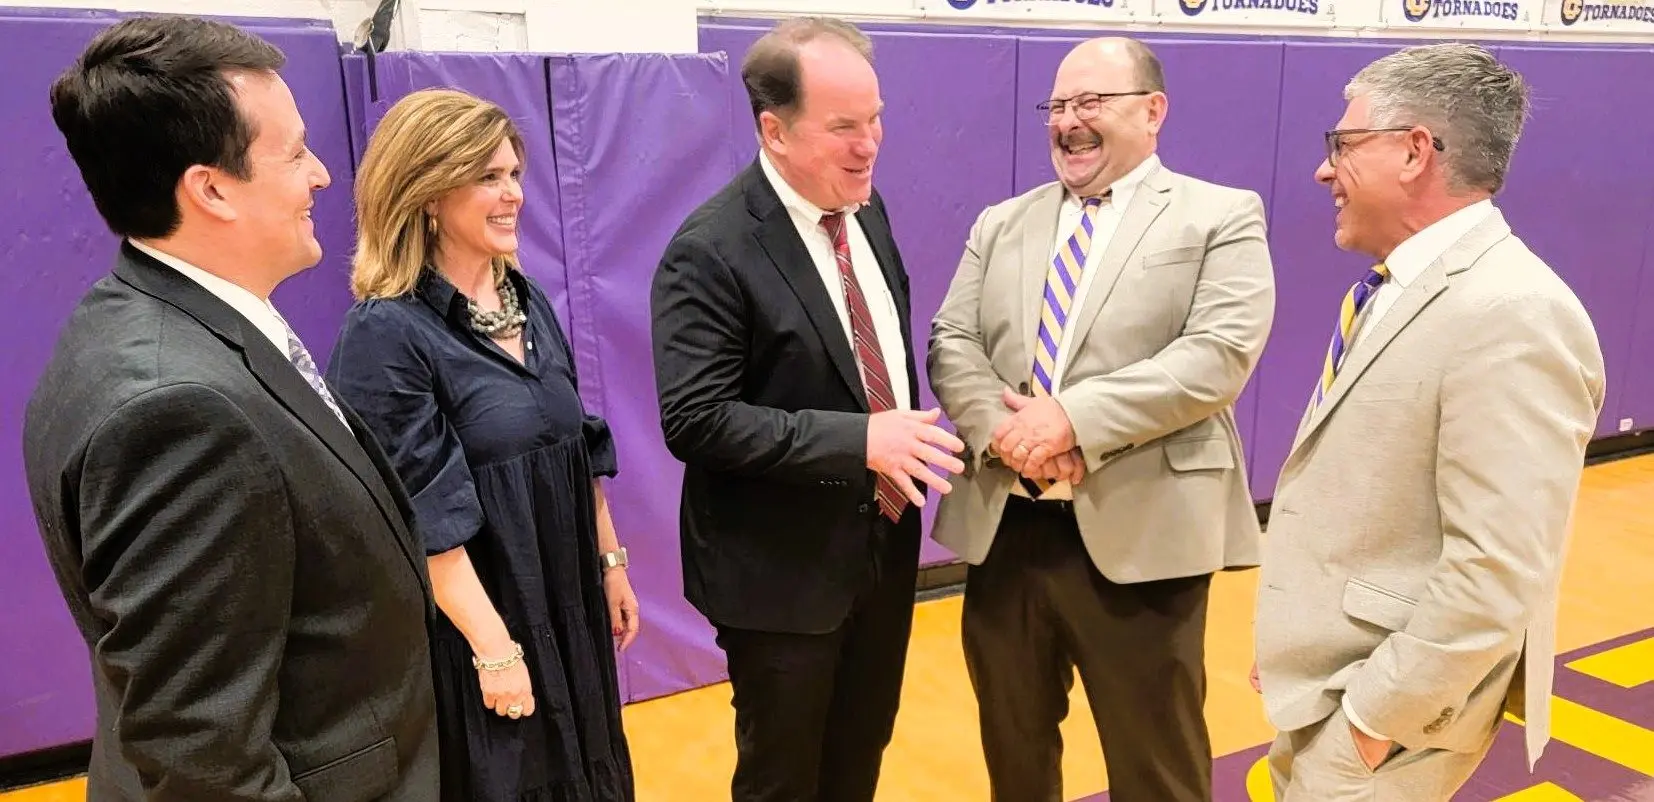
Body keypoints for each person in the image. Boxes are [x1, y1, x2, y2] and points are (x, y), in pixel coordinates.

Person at [22, 15, 440, 801]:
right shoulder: (178, 411)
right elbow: (200, 756)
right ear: (210, 189)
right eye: (295, 153)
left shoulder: (141, 320)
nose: (322, 174)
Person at [927, 37, 1276, 802]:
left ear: (1153, 111)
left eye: (1091, 102)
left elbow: (1217, 355)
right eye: (1057, 106)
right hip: (1006, 530)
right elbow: (952, 341)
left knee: (1156, 769)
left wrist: (1070, 421)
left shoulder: (1220, 216)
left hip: (1145, 536)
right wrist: (1008, 433)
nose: (1068, 122)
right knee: (1014, 756)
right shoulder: (1001, 222)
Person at [1253, 43, 1605, 800]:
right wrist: (1297, 637)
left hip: (1383, 727)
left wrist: (1371, 723)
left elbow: (1499, 567)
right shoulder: (1399, 288)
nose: (1323, 170)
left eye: (1343, 144)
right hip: (1330, 688)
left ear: (1415, 152)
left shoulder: (1514, 312)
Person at [649, 16, 965, 802]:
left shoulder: (866, 212)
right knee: (784, 782)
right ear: (775, 130)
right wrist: (859, 441)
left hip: (880, 552)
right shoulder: (710, 249)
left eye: (876, 119)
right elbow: (696, 419)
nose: (869, 144)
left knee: (859, 761)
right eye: (844, 127)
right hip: (779, 577)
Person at [325, 87, 637, 802]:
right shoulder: (386, 334)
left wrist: (611, 562)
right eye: (488, 177)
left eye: (514, 174)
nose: (513, 194)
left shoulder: (529, 302)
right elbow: (419, 513)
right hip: (482, 627)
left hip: (569, 604)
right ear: (428, 195)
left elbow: (576, 445)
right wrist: (495, 649)